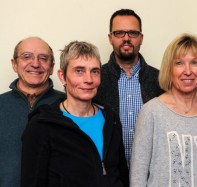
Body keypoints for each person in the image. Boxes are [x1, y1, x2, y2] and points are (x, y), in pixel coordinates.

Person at [21, 41, 129, 186]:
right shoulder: (42, 124)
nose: (89, 79)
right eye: (79, 71)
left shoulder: (110, 118)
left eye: (95, 71)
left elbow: (120, 174)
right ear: (62, 76)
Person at [130, 34, 197, 186]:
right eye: (179, 63)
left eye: (194, 62)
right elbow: (138, 176)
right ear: (169, 69)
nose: (188, 71)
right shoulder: (151, 112)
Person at [95, 8, 163, 167]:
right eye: (119, 33)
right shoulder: (95, 79)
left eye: (132, 33)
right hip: (110, 176)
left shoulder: (161, 80)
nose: (126, 38)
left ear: (141, 38)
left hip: (151, 175)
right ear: (110, 38)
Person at [0, 37, 64, 187]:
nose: (35, 64)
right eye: (26, 56)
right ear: (14, 64)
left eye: (43, 58)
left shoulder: (68, 105)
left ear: (52, 67)